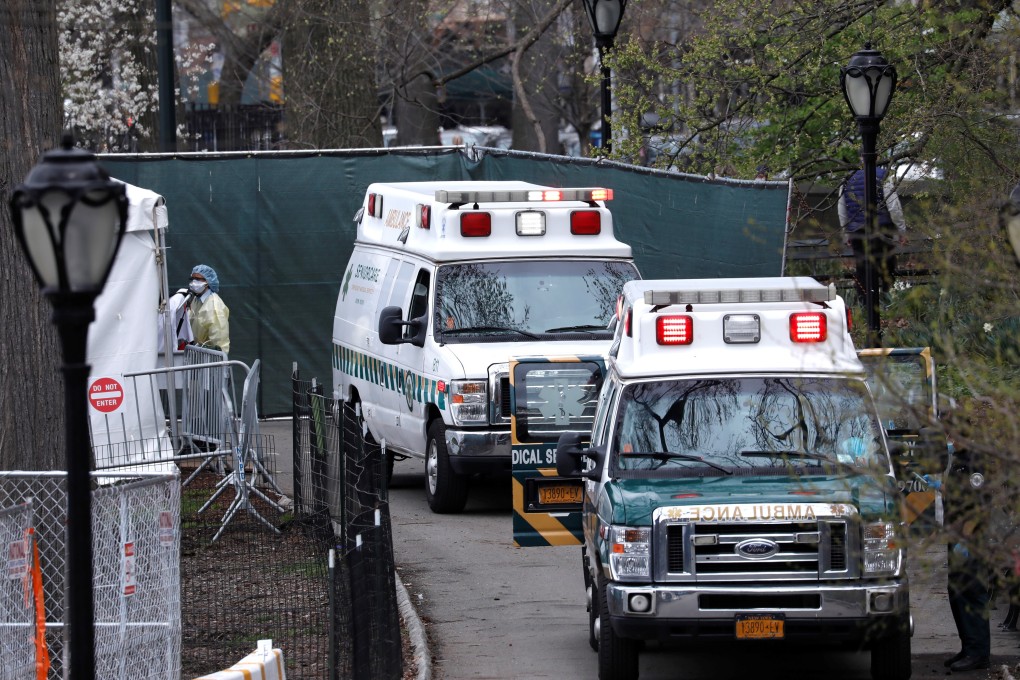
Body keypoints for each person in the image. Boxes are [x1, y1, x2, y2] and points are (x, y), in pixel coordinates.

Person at [937, 418, 994, 672]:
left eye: (952, 435)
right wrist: (940, 487)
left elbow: (979, 505)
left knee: (972, 594)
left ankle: (979, 653)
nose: (949, 440)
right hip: (956, 538)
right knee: (957, 593)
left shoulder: (975, 462)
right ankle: (968, 647)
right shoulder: (958, 461)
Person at [837, 165, 908, 300]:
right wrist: (901, 231)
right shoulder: (883, 176)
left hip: (857, 231)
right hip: (882, 230)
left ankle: (865, 306)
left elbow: (842, 210)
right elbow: (894, 207)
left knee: (863, 270)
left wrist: (846, 234)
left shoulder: (847, 179)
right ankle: (890, 303)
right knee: (887, 267)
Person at [188, 264, 230, 355]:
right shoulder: (196, 300)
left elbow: (220, 342)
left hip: (209, 358)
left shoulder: (215, 307)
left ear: (208, 281)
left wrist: (219, 362)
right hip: (196, 354)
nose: (194, 282)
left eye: (198, 279)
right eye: (192, 279)